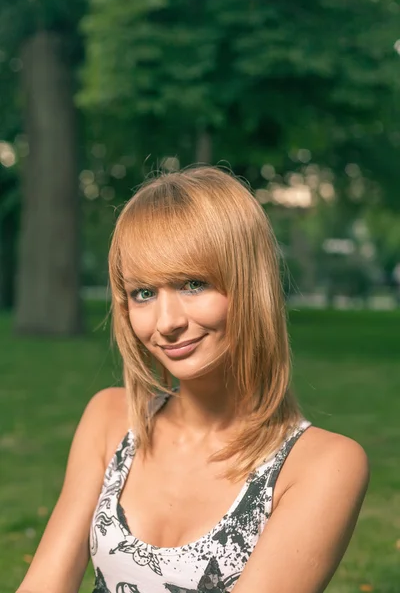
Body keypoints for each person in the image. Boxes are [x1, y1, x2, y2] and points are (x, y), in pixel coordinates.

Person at [17, 166, 369, 593]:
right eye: (143, 293)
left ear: (250, 285)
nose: (166, 323)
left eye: (193, 284)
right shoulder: (111, 419)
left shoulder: (319, 465)